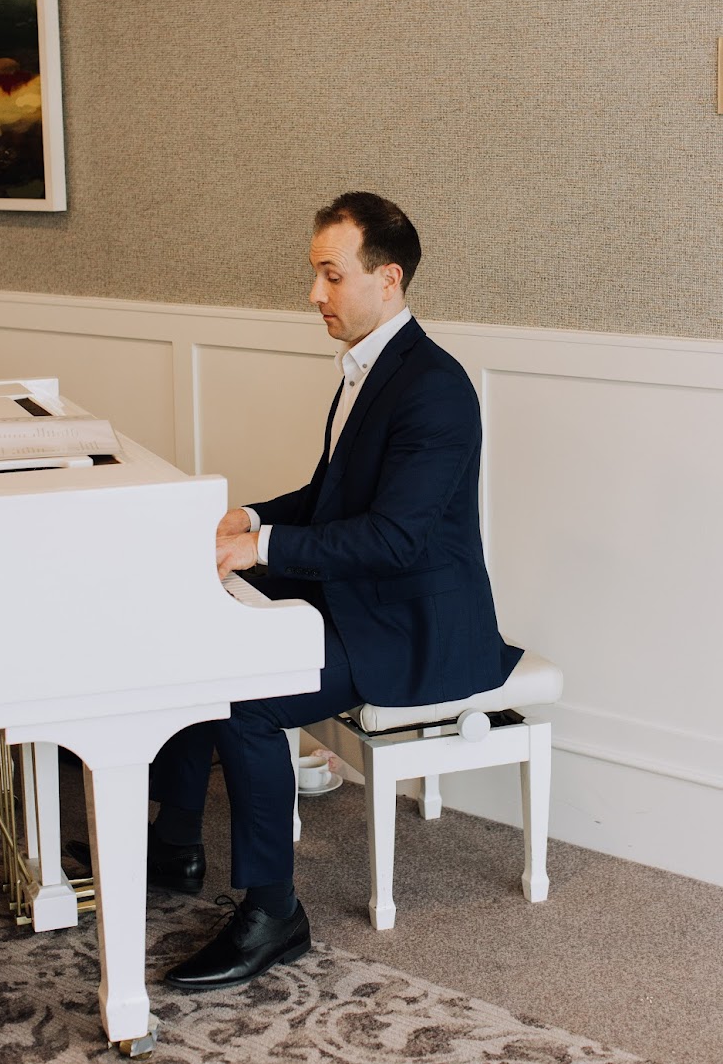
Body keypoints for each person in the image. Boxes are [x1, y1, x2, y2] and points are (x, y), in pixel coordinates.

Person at [154, 191, 521, 993]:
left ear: (385, 279)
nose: (314, 294)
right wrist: (248, 515)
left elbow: (396, 537)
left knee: (243, 700)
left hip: (412, 623)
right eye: (314, 274)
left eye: (330, 274)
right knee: (192, 639)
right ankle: (173, 844)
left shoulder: (435, 387)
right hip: (361, 594)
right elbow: (331, 498)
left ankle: (274, 912)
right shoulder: (372, 367)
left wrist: (261, 549)